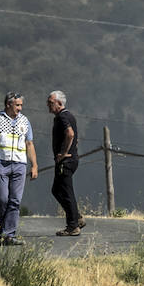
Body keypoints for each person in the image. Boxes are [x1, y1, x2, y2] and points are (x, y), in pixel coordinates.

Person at [0, 91, 38, 245]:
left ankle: (9, 235)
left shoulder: (25, 121)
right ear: (8, 104)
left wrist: (34, 165)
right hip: (0, 164)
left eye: (21, 105)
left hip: (19, 165)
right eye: (17, 105)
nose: (20, 108)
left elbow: (29, 144)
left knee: (15, 200)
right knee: (2, 199)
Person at [46, 90, 85, 236]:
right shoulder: (68, 116)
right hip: (70, 160)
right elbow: (75, 137)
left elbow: (70, 134)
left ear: (59, 103)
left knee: (66, 192)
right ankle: (76, 217)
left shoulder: (63, 116)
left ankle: (73, 226)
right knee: (57, 190)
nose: (48, 105)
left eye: (51, 103)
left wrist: (63, 153)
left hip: (66, 161)